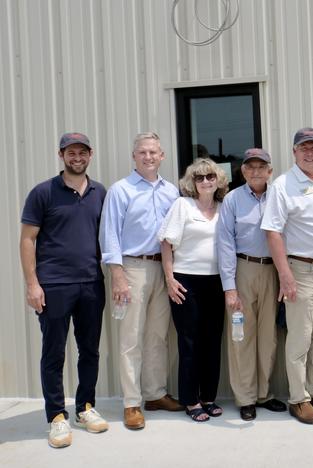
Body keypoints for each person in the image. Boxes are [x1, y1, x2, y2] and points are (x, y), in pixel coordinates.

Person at [20, 133, 108, 448]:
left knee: (90, 350)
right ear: (62, 155)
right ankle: (57, 417)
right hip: (54, 285)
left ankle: (85, 407)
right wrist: (33, 284)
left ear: (90, 154)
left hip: (91, 283)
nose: (77, 157)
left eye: (82, 152)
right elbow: (27, 239)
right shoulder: (43, 192)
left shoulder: (100, 193)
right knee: (54, 353)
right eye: (71, 152)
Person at [261, 128, 313, 425]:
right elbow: (272, 232)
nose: (310, 152)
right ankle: (298, 399)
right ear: (294, 152)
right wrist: (285, 276)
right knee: (300, 339)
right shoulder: (283, 185)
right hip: (301, 273)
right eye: (304, 148)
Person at [100, 132, 182, 430]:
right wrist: (117, 275)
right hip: (133, 269)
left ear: (162, 156)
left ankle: (155, 394)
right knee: (131, 338)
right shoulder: (120, 191)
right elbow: (109, 234)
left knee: (157, 336)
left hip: (165, 269)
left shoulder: (171, 191)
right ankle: (132, 403)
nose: (148, 157)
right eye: (142, 152)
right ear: (134, 156)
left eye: (153, 152)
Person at [216, 148, 287, 421]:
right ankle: (245, 397)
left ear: (270, 171)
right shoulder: (233, 200)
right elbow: (224, 244)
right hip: (243, 269)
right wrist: (229, 287)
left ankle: (264, 393)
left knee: (268, 337)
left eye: (261, 167)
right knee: (241, 336)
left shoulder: (278, 196)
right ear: (243, 171)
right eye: (250, 167)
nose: (256, 171)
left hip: (273, 270)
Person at [159, 158, 228, 422]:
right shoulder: (182, 205)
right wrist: (169, 279)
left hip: (216, 281)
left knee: (212, 341)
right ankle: (190, 400)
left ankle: (208, 397)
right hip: (186, 281)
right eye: (199, 178)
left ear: (218, 179)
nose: (206, 181)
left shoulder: (224, 207)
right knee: (190, 342)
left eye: (210, 176)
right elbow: (166, 243)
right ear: (193, 183)